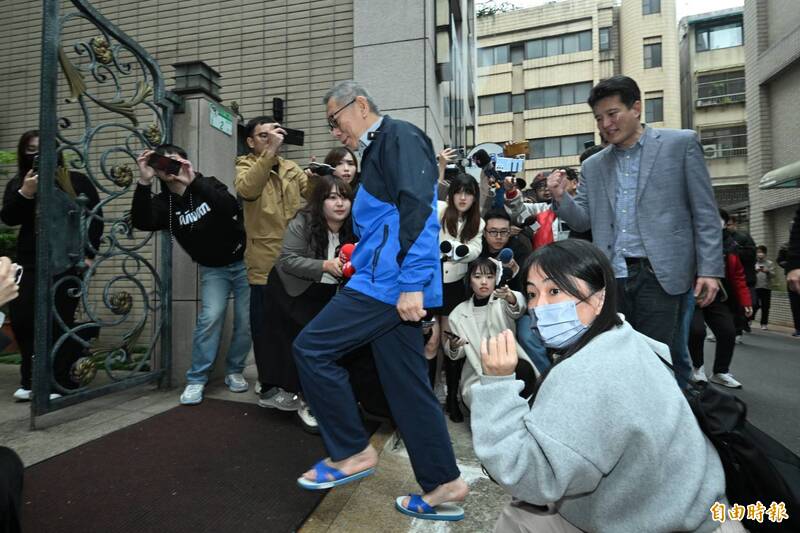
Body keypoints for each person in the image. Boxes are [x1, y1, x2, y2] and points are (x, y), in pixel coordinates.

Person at [471, 239, 737, 533]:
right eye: (532, 294)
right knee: (522, 517)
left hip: (669, 524)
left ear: (599, 298)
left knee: (521, 517)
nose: (538, 307)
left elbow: (527, 475)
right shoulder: (627, 337)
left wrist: (497, 383)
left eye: (555, 291)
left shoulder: (586, 371)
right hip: (697, 511)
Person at [293, 80, 467, 521]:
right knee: (408, 388)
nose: (334, 131)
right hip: (387, 282)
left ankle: (351, 451)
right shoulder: (376, 150)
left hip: (386, 284)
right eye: (329, 124)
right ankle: (444, 481)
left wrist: (412, 283)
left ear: (362, 105)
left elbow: (420, 209)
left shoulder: (399, 136)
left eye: (336, 120)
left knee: (312, 349)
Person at [548, 75, 723, 382]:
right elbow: (582, 220)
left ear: (637, 108)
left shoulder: (679, 144)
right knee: (620, 357)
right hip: (612, 277)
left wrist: (710, 270)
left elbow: (705, 212)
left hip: (661, 274)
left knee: (660, 359)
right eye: (599, 118)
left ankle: (676, 423)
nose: (606, 124)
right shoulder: (594, 165)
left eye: (612, 114)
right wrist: (561, 197)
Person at [259, 174, 388, 431]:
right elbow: (287, 260)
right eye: (331, 197)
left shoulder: (357, 226)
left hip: (332, 293)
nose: (340, 204)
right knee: (307, 344)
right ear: (320, 202)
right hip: (294, 291)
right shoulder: (304, 222)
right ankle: (308, 401)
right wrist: (325, 266)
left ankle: (347, 401)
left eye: (344, 197)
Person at [131, 144, 250, 405]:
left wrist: (192, 181)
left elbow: (229, 207)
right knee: (210, 317)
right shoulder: (164, 203)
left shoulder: (207, 184)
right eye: (162, 164)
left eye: (174, 161)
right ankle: (196, 379)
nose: (169, 168)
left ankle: (235, 370)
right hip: (213, 269)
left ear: (185, 162)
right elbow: (141, 221)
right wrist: (143, 181)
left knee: (246, 319)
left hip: (244, 262)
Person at [1, 129, 104, 400]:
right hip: (30, 261)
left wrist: (89, 254)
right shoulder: (19, 183)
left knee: (60, 321)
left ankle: (59, 382)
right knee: (23, 321)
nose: (36, 153)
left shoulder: (76, 181)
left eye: (42, 147)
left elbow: (94, 218)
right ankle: (30, 381)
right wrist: (26, 191)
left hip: (66, 260)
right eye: (30, 148)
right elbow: (10, 218)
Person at [234, 116, 313, 406]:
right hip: (264, 261)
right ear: (251, 141)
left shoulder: (291, 169)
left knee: (292, 325)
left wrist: (317, 177)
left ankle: (288, 380)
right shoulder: (245, 165)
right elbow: (247, 190)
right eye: (263, 135)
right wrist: (268, 154)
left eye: (275, 133)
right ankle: (268, 386)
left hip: (295, 260)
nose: (271, 139)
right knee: (265, 327)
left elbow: (314, 197)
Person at [446, 257, 535, 410]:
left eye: (489, 276)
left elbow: (518, 307)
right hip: (478, 371)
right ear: (469, 280)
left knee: (522, 379)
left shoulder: (502, 301)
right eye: (477, 276)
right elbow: (458, 353)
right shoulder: (458, 312)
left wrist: (510, 296)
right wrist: (454, 346)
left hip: (511, 365)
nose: (484, 282)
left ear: (496, 278)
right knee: (485, 401)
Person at [432, 173, 484, 423]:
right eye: (459, 191)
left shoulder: (479, 223)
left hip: (454, 288)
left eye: (469, 192)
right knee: (431, 342)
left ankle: (452, 396)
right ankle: (431, 392)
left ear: (475, 196)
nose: (463, 197)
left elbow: (475, 248)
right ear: (451, 194)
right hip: (430, 283)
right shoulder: (440, 210)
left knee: (451, 343)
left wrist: (459, 252)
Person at [688, 212, 752, 388]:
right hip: (690, 294)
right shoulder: (688, 240)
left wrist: (746, 301)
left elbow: (738, 276)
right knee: (696, 331)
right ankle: (696, 368)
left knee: (728, 331)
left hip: (717, 296)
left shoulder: (730, 246)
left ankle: (720, 371)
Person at [480, 209, 547, 372]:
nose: (498, 237)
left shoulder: (520, 249)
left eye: (504, 232)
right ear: (484, 232)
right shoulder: (477, 250)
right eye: (493, 232)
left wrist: (517, 273)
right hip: (483, 309)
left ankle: (545, 376)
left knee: (527, 335)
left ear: (510, 231)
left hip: (519, 309)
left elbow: (531, 287)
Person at [753, 245, 775, 330]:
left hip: (766, 287)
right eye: (758, 252)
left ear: (765, 253)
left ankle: (764, 323)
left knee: (765, 306)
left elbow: (773, 275)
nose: (760, 254)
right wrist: (755, 271)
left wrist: (768, 271)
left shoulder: (769, 263)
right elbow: (749, 274)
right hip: (755, 287)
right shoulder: (754, 263)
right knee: (754, 304)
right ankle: (750, 319)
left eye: (762, 252)